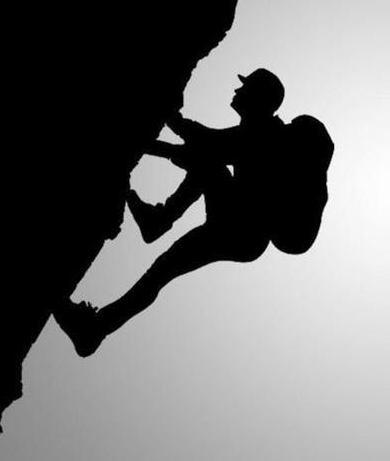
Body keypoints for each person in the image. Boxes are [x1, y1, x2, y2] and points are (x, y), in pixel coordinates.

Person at [55, 69, 292, 356]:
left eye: (246, 88)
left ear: (259, 98)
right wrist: (158, 139)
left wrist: (160, 126)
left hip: (240, 231)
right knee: (165, 265)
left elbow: (205, 141)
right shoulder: (258, 132)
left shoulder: (262, 135)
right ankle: (156, 224)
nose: (237, 91)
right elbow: (203, 146)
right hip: (239, 228)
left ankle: (95, 329)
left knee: (164, 267)